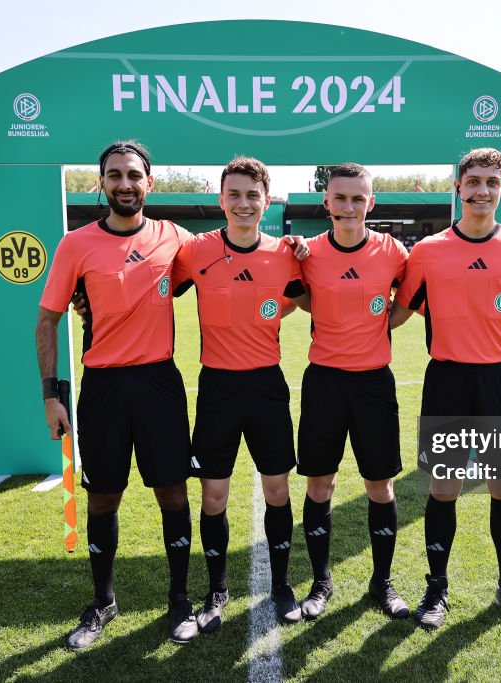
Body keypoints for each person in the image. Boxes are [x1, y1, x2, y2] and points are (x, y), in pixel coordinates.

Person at [35, 140, 200, 648]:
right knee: (104, 496)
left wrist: (293, 247)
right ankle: (103, 603)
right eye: (114, 175)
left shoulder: (176, 239)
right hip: (102, 387)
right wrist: (50, 395)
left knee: (171, 491)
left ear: (150, 183)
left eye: (134, 175)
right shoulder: (75, 244)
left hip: (159, 383)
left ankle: (179, 601)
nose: (124, 184)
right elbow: (48, 319)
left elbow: (229, 261)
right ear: (101, 184)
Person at [390, 147, 501, 631]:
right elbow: (398, 312)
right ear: (458, 188)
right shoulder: (428, 251)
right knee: (444, 489)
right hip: (446, 379)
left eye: (491, 182)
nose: (481, 190)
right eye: (473, 181)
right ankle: (436, 590)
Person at [169, 157, 310, 632]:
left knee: (277, 489)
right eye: (235, 194)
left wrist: (266, 316)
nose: (244, 203)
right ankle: (216, 590)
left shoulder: (287, 253)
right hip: (217, 389)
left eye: (253, 195)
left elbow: (298, 298)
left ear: (266, 200)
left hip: (267, 386)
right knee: (213, 496)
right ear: (221, 199)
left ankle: (282, 584)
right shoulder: (195, 251)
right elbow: (155, 288)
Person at [295, 163, 410, 620]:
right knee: (320, 484)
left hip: (373, 383)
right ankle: (321, 583)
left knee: (379, 486)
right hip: (323, 381)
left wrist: (381, 323)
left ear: (371, 203)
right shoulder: (307, 253)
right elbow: (297, 296)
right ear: (326, 202)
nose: (348, 207)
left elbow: (411, 299)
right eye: (340, 198)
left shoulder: (393, 251)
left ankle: (382, 583)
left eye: (357, 199)